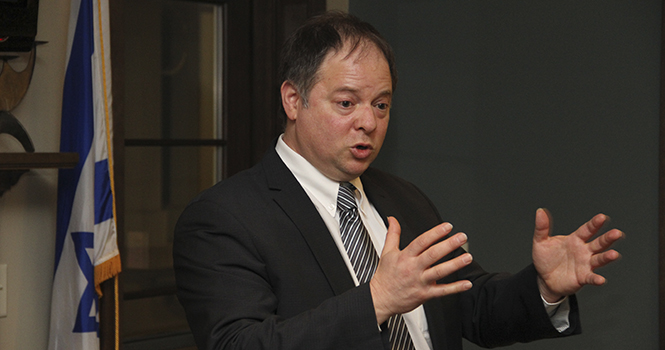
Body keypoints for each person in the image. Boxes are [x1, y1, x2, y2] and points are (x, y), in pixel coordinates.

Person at [173, 11, 623, 350]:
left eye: (382, 105)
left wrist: (543, 287)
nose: (368, 122)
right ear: (294, 99)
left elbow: (471, 307)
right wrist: (377, 300)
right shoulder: (224, 218)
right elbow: (241, 345)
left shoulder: (403, 198)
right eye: (347, 103)